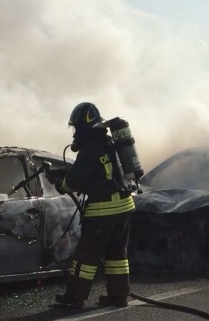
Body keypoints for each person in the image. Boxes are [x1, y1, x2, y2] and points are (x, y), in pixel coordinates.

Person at [52, 102, 136, 309]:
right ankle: (119, 296)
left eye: (76, 128)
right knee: (117, 255)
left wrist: (59, 184)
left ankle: (74, 297)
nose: (75, 133)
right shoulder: (110, 143)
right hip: (124, 206)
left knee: (85, 256)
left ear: (82, 127)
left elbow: (73, 182)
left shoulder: (89, 150)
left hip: (103, 210)